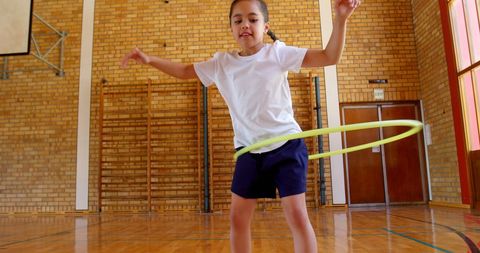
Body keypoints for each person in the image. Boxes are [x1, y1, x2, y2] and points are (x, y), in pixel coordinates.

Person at [121, 0, 360, 252]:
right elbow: (183, 71)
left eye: (253, 19)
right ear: (231, 28)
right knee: (237, 218)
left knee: (297, 214)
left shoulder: (278, 53)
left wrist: (341, 18)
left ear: (265, 26)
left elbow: (329, 56)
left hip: (286, 147)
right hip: (249, 152)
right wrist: (149, 60)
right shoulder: (222, 64)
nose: (245, 25)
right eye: (238, 20)